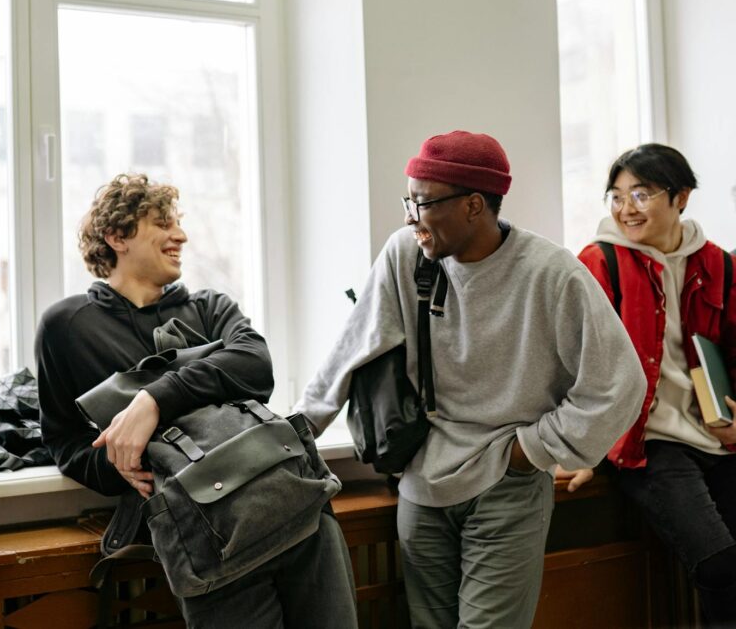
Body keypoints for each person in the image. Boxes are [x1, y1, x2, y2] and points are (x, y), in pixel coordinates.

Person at [296, 130, 646, 628]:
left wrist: (535, 450)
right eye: (408, 201)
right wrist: (290, 439)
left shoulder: (551, 274)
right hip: (421, 485)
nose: (409, 217)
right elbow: (351, 349)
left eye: (423, 204)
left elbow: (619, 382)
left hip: (507, 486)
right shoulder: (406, 254)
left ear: (474, 205)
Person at [36, 174, 357, 628]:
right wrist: (123, 466)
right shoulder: (66, 327)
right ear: (117, 236)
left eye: (178, 223)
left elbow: (256, 364)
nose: (181, 235)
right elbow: (63, 441)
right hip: (205, 539)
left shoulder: (209, 307)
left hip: (299, 510)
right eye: (163, 223)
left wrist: (153, 399)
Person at [575, 143, 736, 626]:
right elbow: (574, 364)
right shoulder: (599, 262)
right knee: (719, 562)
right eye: (617, 196)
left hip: (716, 435)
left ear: (681, 197)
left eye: (641, 194)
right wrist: (581, 448)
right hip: (647, 443)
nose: (626, 209)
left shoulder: (719, 264)